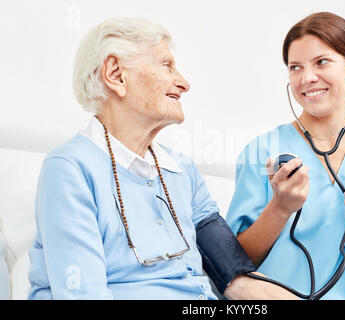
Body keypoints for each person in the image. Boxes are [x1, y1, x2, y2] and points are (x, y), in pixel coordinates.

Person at [27, 17, 299, 300]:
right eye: (166, 65)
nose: (184, 83)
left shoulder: (182, 171)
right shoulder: (70, 169)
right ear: (116, 74)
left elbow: (236, 277)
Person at [226, 12, 345, 300]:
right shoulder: (261, 152)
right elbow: (235, 267)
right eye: (295, 67)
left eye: (321, 62)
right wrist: (279, 208)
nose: (307, 78)